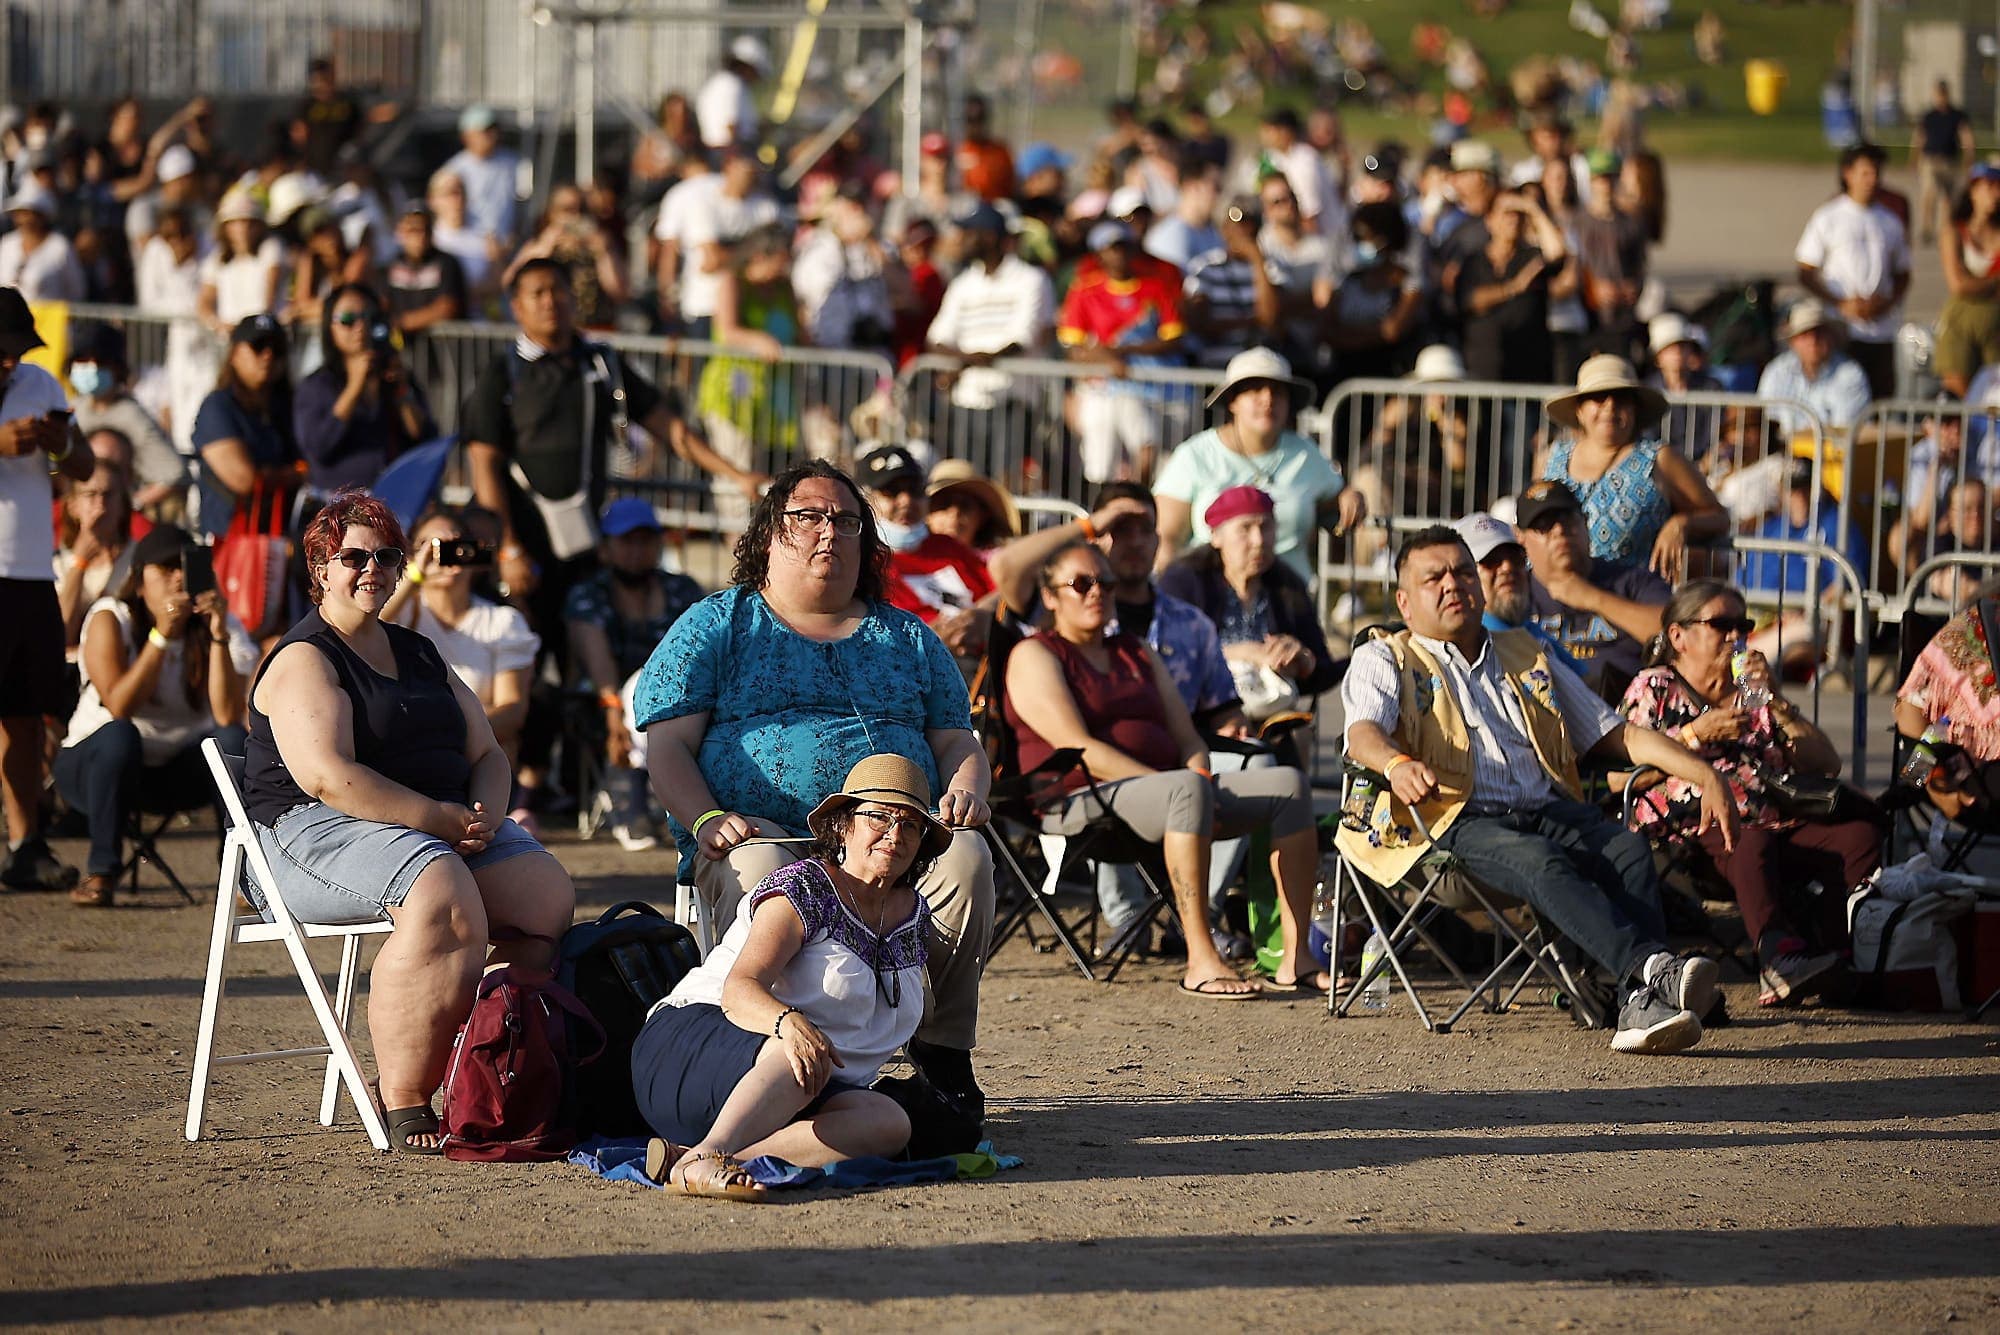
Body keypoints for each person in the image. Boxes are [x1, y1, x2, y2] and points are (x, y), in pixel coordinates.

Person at [634, 461, 996, 1126]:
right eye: (809, 515)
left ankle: (942, 1053)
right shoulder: (717, 623)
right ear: (771, 532)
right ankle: (768, 1052)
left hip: (894, 838)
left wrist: (968, 784)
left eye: (846, 519)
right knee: (767, 874)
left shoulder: (909, 636)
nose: (829, 529)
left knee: (967, 859)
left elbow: (955, 741)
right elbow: (667, 748)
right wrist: (707, 817)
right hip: (762, 834)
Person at [241, 490, 576, 1152]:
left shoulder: (418, 651)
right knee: (442, 894)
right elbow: (328, 776)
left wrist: (485, 814)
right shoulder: (305, 657)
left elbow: (486, 751)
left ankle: (472, 1058)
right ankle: (403, 1093)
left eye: (386, 556)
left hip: (435, 826)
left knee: (547, 897)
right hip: (308, 831)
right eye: (353, 557)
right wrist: (438, 820)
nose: (372, 569)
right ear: (319, 568)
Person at [1338, 525, 1736, 1055]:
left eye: (1462, 571)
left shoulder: (1525, 649)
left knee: (1627, 848)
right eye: (1435, 577)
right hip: (1452, 822)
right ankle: (1651, 974)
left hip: (1545, 808)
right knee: (1544, 861)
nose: (1452, 584)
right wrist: (1395, 763)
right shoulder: (1387, 657)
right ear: (1406, 603)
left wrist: (1702, 771)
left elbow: (1614, 733)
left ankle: (1636, 1001)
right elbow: (1361, 732)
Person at [1004, 539, 1326, 998]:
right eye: (1081, 584)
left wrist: (1201, 777)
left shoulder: (1136, 651)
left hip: (1164, 795)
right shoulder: (1035, 654)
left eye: (1107, 583)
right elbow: (1080, 747)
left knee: (1288, 785)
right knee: (1185, 792)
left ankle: (1296, 957)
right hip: (1075, 799)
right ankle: (1200, 958)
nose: (1098, 592)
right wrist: (1179, 788)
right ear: (1051, 596)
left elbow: (1188, 736)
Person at [633, 754, 945, 1199]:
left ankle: (701, 1159)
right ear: (844, 825)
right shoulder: (806, 886)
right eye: (878, 816)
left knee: (889, 1123)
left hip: (791, 1085)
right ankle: (711, 1150)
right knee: (801, 1051)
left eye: (910, 824)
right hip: (689, 1047)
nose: (894, 834)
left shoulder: (913, 916)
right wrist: (788, 1022)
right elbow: (739, 989)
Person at [462, 258, 758, 667]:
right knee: (519, 665)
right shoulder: (503, 373)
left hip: (583, 548)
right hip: (523, 550)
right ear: (517, 306)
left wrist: (736, 475)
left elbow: (671, 430)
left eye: (559, 290)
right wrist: (507, 550)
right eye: (538, 293)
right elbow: (483, 464)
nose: (551, 301)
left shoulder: (601, 364)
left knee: (580, 665)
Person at [1622, 580, 1881, 1004]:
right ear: (1678, 636)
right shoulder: (1653, 688)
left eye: (1741, 625)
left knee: (1858, 834)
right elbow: (1621, 775)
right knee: (1747, 834)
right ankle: (1778, 960)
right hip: (1692, 830)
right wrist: (1692, 736)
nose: (1734, 635)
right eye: (1720, 624)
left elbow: (1825, 764)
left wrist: (1778, 701)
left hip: (1773, 818)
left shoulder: (1753, 691)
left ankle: (1838, 956)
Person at [56, 525, 257, 907]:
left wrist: (216, 635)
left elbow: (228, 715)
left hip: (175, 773)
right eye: (165, 569)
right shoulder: (110, 618)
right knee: (121, 734)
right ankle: (102, 871)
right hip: (96, 768)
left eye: (185, 567)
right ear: (138, 580)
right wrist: (161, 636)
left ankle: (243, 873)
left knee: (230, 741)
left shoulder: (220, 624)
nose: (178, 577)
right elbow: (120, 706)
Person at [0, 287, 93, 892]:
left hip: (33, 570)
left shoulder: (42, 382)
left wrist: (60, 447)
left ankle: (26, 844)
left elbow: (83, 465)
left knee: (26, 714)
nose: (12, 361)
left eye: (17, 350)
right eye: (3, 350)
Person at [1153, 347, 1364, 583]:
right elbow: (1166, 538)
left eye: (1278, 391)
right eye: (1255, 389)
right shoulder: (1194, 456)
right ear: (1233, 400)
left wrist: (1349, 495)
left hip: (1288, 601)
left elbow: (1334, 499)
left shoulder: (1305, 453)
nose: (1268, 399)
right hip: (1209, 599)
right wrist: (1173, 598)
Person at [565, 497, 704, 851]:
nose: (637, 550)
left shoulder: (683, 589)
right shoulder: (588, 595)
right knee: (636, 688)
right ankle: (637, 792)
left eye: (645, 540)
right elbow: (596, 659)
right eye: (627, 541)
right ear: (605, 548)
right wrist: (614, 709)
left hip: (682, 698)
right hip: (603, 702)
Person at [1158, 486, 1340, 728]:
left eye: (1266, 527)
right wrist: (1242, 653)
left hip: (1268, 717)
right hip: (1198, 719)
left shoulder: (1286, 584)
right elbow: (1168, 655)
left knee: (1297, 734)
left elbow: (1321, 670)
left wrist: (1302, 660)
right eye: (1245, 529)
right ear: (1216, 536)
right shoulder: (1184, 581)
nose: (1258, 541)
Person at [1542, 354, 1728, 577]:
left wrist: (1681, 524)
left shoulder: (1659, 458)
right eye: (1598, 397)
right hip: (1555, 595)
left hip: (1630, 598)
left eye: (1621, 398)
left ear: (1635, 410)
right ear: (1579, 410)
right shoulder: (1555, 456)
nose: (1610, 405)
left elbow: (1718, 516)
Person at [382, 508, 539, 772]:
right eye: (431, 548)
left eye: (456, 547)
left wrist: (444, 730)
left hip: (472, 761)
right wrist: (417, 573)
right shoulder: (401, 612)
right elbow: (365, 621)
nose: (443, 557)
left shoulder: (503, 622)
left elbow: (512, 712)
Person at [924, 203, 1056, 484]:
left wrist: (966, 362)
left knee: (1004, 484)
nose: (961, 240)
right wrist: (971, 360)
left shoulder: (1031, 279)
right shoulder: (964, 283)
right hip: (966, 399)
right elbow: (937, 338)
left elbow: (1022, 338)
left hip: (1012, 400)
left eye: (968, 233)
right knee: (964, 481)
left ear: (989, 237)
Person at [1516, 479, 1672, 701]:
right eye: (1544, 526)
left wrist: (1594, 598)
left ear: (1586, 522)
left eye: (1567, 519)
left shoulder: (1630, 581)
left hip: (1624, 717)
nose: (1559, 530)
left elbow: (1677, 634)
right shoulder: (1515, 593)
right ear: (1520, 538)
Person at [1058, 219, 1186, 484]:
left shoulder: (1155, 287)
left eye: (1124, 247)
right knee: (1101, 467)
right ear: (1099, 253)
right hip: (1101, 390)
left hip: (1151, 390)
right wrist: (1111, 360)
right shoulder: (1085, 291)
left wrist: (1119, 352)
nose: (1120, 254)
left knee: (1151, 453)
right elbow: (1073, 347)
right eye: (1112, 248)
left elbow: (1173, 337)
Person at [293, 283, 433, 499]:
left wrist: (402, 392)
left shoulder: (395, 376)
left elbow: (423, 437)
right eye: (348, 319)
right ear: (329, 327)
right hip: (336, 505)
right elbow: (318, 447)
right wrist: (354, 387)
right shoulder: (317, 385)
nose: (360, 326)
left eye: (369, 316)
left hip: (396, 499)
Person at [1796, 142, 1912, 401]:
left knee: (1880, 398)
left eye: (1876, 173)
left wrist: (1886, 303)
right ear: (1848, 174)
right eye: (1865, 173)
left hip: (1881, 330)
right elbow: (1805, 270)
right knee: (1843, 397)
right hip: (1841, 329)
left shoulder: (1890, 221)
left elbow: (1903, 273)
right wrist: (1841, 303)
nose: (1872, 180)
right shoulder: (1828, 217)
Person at [695, 223, 802, 496]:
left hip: (774, 397)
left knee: (772, 477)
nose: (784, 266)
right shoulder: (733, 282)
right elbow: (727, 330)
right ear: (758, 256)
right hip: (734, 391)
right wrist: (759, 340)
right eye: (780, 259)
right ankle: (734, 533)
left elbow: (801, 333)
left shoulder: (784, 289)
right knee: (737, 471)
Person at [854, 444, 994, 647]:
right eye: (891, 492)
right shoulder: (862, 563)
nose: (906, 500)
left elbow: (1002, 592)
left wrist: (980, 615)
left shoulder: (947, 547)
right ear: (864, 500)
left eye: (915, 490)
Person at [191, 314, 299, 542]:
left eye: (277, 349)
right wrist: (296, 474)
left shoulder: (287, 407)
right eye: (258, 346)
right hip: (227, 545)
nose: (268, 355)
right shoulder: (217, 406)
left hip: (280, 543)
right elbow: (244, 479)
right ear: (234, 353)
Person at [66, 322, 187, 519]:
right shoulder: (74, 408)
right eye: (82, 361)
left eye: (100, 362)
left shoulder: (131, 415)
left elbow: (174, 474)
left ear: (117, 368)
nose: (91, 368)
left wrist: (130, 504)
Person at [1455, 189, 1566, 385]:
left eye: (1518, 214)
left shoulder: (1531, 258)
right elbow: (1469, 300)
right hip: (1482, 373)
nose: (1513, 219)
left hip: (1528, 375)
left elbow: (1557, 252)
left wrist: (1532, 208)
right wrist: (1513, 287)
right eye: (1506, 212)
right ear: (1489, 220)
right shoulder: (1474, 261)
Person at [1454, 511, 1584, 673]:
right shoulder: (1466, 644)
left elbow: (1584, 684)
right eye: (1491, 561)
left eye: (1516, 559)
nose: (1507, 568)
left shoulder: (1531, 632)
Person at [503, 182, 629, 331]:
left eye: (582, 209)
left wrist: (604, 253)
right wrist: (544, 247)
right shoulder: (539, 243)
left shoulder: (602, 242)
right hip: (552, 331)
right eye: (568, 209)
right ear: (552, 213)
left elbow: (621, 293)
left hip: (595, 331)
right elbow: (509, 282)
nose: (576, 216)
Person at [54, 448, 134, 655]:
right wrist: (79, 564)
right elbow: (60, 635)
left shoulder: (139, 558)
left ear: (122, 504)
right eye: (90, 495)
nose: (100, 505)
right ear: (73, 506)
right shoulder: (57, 565)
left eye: (108, 495)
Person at [1756, 299, 1873, 436]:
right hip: (1782, 451)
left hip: (1831, 453)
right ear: (1792, 341)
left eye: (1819, 333)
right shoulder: (1777, 371)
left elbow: (1845, 429)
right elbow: (1765, 418)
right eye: (1804, 335)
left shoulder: (1851, 374)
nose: (1813, 341)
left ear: (1831, 337)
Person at [1935, 162, 2000, 399]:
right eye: (1989, 187)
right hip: (1960, 324)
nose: (1995, 194)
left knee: (1993, 398)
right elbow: (1959, 284)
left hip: (1995, 326)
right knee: (1959, 398)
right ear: (1972, 190)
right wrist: (1994, 283)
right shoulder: (1954, 232)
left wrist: (1979, 284)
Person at [196, 191, 284, 335]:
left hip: (262, 336)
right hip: (230, 339)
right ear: (226, 226)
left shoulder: (271, 248)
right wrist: (216, 324)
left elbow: (270, 293)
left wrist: (254, 327)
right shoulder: (217, 258)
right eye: (237, 222)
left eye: (249, 222)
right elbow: (204, 302)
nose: (243, 229)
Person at [1644, 313, 1724, 465]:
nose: (1678, 353)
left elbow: (1714, 433)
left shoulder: (1711, 388)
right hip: (1661, 468)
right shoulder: (1648, 391)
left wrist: (1704, 462)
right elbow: (1649, 437)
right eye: (1669, 348)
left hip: (1704, 466)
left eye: (1682, 346)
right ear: (1658, 357)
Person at [441, 106, 523, 249]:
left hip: (507, 245)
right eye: (484, 131)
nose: (491, 135)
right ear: (466, 136)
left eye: (493, 129)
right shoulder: (454, 169)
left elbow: (521, 202)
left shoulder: (513, 161)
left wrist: (515, 235)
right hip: (470, 247)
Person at [383, 204, 468, 338]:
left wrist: (403, 322)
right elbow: (383, 305)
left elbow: (447, 308)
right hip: (404, 352)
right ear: (401, 232)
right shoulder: (391, 265)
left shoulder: (446, 263)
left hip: (445, 350)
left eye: (426, 229)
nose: (421, 236)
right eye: (413, 230)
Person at [1913, 80, 1976, 249]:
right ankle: (1927, 227)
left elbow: (1966, 137)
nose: (1940, 98)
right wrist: (1914, 157)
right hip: (1930, 160)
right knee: (1930, 193)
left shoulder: (1957, 116)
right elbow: (1920, 137)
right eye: (1937, 94)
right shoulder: (1929, 116)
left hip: (1949, 161)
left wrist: (1969, 157)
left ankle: (1944, 228)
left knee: (1949, 198)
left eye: (1943, 94)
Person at [0, 180, 85, 302]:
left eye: (28, 214)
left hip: (48, 320)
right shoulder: (7, 243)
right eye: (19, 214)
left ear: (42, 216)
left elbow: (76, 291)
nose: (23, 220)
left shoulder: (60, 247)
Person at [924, 459, 1018, 559]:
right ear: (927, 514)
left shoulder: (995, 564)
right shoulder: (910, 560)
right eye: (944, 504)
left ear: (982, 516)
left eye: (965, 505)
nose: (955, 513)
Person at [1142, 159, 1222, 273]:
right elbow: (1174, 284)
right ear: (1192, 186)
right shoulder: (1171, 235)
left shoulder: (1212, 232)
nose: (1219, 194)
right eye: (1215, 187)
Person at [696, 36, 770, 150]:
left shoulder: (726, 82)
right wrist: (735, 155)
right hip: (727, 151)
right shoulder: (731, 84)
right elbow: (731, 124)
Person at [955, 95, 1016, 203]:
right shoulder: (957, 151)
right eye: (970, 120)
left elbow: (1011, 186)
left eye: (980, 119)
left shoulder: (1000, 152)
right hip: (964, 208)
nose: (975, 126)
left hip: (996, 207)